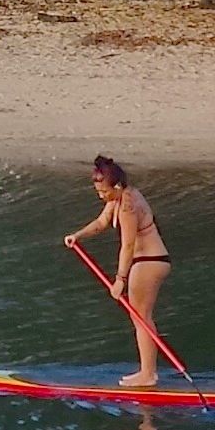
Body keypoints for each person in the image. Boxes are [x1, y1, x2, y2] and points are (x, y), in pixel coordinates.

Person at [64, 155, 177, 387]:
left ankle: (148, 374)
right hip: (149, 260)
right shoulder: (119, 197)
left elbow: (128, 245)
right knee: (140, 317)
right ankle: (148, 372)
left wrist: (120, 280)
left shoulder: (127, 205)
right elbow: (100, 223)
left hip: (148, 261)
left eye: (104, 192)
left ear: (115, 186)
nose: (101, 196)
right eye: (98, 192)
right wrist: (77, 236)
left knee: (141, 317)